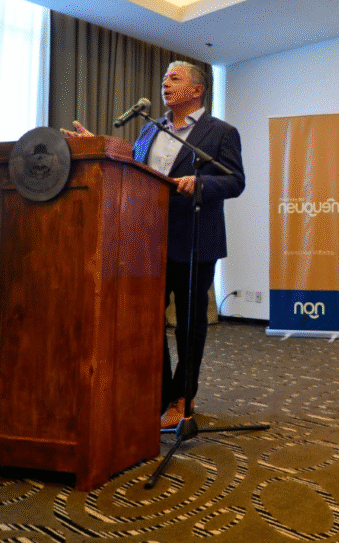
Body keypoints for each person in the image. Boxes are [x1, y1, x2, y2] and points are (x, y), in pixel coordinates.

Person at [63, 61, 245, 429]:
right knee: (146, 320)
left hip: (195, 238)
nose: (165, 83)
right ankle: (158, 394)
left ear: (197, 90)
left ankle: (182, 397)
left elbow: (235, 180)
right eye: (164, 78)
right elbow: (132, 169)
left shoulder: (221, 132)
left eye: (174, 78)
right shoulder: (151, 128)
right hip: (146, 239)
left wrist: (201, 184)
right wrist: (97, 145)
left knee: (189, 324)